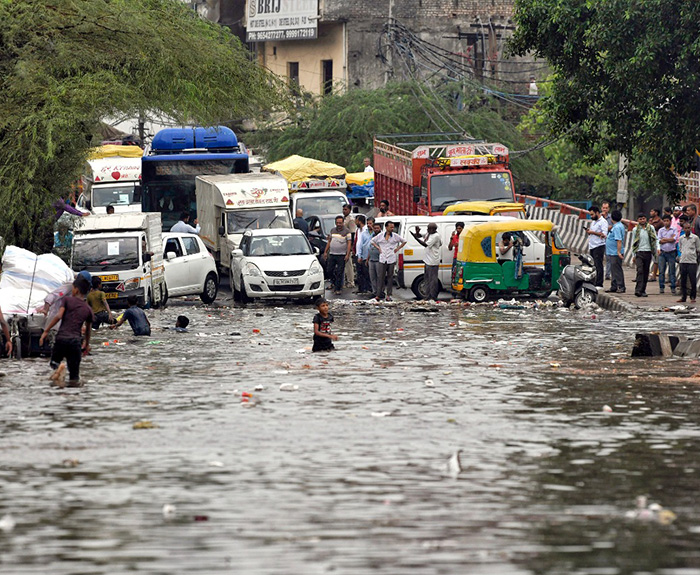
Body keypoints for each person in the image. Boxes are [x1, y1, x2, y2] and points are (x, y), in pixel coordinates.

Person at [39, 276, 94, 386]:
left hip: (61, 339)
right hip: (75, 342)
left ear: (76, 290)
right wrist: (86, 344)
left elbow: (59, 316)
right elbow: (88, 330)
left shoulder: (67, 300)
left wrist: (46, 331)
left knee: (54, 365)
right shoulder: (88, 309)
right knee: (74, 377)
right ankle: (71, 397)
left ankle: (59, 372)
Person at [371, 221, 406, 302]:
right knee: (380, 277)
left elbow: (404, 241)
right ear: (386, 227)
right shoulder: (380, 236)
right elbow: (372, 241)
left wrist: (398, 248)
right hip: (383, 258)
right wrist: (378, 248)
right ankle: (378, 294)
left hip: (391, 258)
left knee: (390, 277)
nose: (392, 229)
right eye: (391, 227)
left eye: (393, 227)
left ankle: (389, 295)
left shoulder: (395, 236)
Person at [410, 222, 442, 300]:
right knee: (427, 279)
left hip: (433, 261)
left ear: (433, 229)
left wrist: (416, 238)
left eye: (429, 228)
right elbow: (420, 235)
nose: (427, 230)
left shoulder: (435, 236)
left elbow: (425, 244)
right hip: (427, 260)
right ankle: (428, 296)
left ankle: (433, 297)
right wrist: (417, 232)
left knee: (432, 280)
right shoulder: (429, 234)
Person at [323, 215, 351, 295]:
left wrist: (347, 254)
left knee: (339, 272)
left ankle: (338, 288)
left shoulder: (347, 231)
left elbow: (349, 243)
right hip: (332, 254)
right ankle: (334, 283)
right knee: (329, 270)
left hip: (342, 255)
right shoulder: (332, 230)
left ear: (343, 223)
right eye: (337, 223)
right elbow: (329, 241)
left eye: (340, 223)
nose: (339, 224)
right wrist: (325, 252)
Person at [631, 212, 658, 298]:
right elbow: (633, 242)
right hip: (639, 252)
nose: (642, 220)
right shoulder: (635, 230)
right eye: (640, 219)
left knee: (646, 271)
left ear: (646, 219)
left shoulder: (651, 228)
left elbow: (655, 239)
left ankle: (643, 290)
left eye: (643, 218)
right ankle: (638, 290)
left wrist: (657, 249)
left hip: (648, 252)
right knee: (640, 271)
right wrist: (633, 255)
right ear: (638, 220)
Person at [677, 221, 700, 303]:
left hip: (692, 261)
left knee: (692, 279)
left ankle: (692, 296)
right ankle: (683, 297)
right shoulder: (681, 238)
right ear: (683, 229)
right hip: (683, 261)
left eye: (688, 228)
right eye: (685, 228)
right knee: (683, 280)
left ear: (691, 228)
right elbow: (680, 248)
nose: (687, 230)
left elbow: (698, 249)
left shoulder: (695, 238)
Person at [604, 210, 626, 294]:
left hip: (615, 252)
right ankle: (614, 286)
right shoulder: (617, 226)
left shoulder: (617, 227)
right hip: (612, 252)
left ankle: (621, 286)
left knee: (617, 270)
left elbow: (619, 240)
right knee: (613, 270)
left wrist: (618, 252)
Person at [586, 205, 608, 288]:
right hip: (592, 245)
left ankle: (599, 283)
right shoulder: (593, 222)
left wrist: (592, 232)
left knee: (598, 265)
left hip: (599, 245)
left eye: (592, 214)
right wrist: (589, 231)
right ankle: (593, 281)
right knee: (592, 265)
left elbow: (604, 234)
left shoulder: (603, 222)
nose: (591, 216)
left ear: (597, 213)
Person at [657, 214, 679, 295]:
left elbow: (674, 239)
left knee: (672, 271)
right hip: (663, 252)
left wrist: (664, 239)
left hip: (672, 252)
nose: (666, 222)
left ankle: (673, 287)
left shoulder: (674, 229)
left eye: (667, 221)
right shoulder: (661, 230)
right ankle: (661, 287)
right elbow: (659, 241)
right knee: (661, 271)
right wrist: (668, 239)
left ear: (670, 221)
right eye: (664, 221)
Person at [354, 214, 372, 294]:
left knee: (366, 273)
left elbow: (365, 244)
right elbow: (358, 242)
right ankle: (361, 288)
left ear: (360, 221)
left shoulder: (365, 231)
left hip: (365, 255)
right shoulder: (358, 230)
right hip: (358, 253)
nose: (355, 222)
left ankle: (368, 288)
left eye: (356, 221)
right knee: (359, 272)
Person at [342, 204, 357, 289]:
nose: (344, 211)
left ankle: (351, 281)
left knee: (349, 264)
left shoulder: (350, 220)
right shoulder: (344, 219)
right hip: (343, 244)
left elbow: (352, 233)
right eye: (343, 209)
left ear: (350, 210)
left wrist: (351, 246)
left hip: (348, 244)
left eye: (346, 209)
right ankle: (346, 281)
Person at [601, 201, 613, 280]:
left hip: (609, 240)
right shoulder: (599, 217)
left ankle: (608, 274)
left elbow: (613, 226)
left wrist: (607, 228)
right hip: (600, 241)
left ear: (608, 209)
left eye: (606, 208)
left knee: (609, 258)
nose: (605, 209)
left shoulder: (611, 217)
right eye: (603, 208)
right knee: (599, 258)